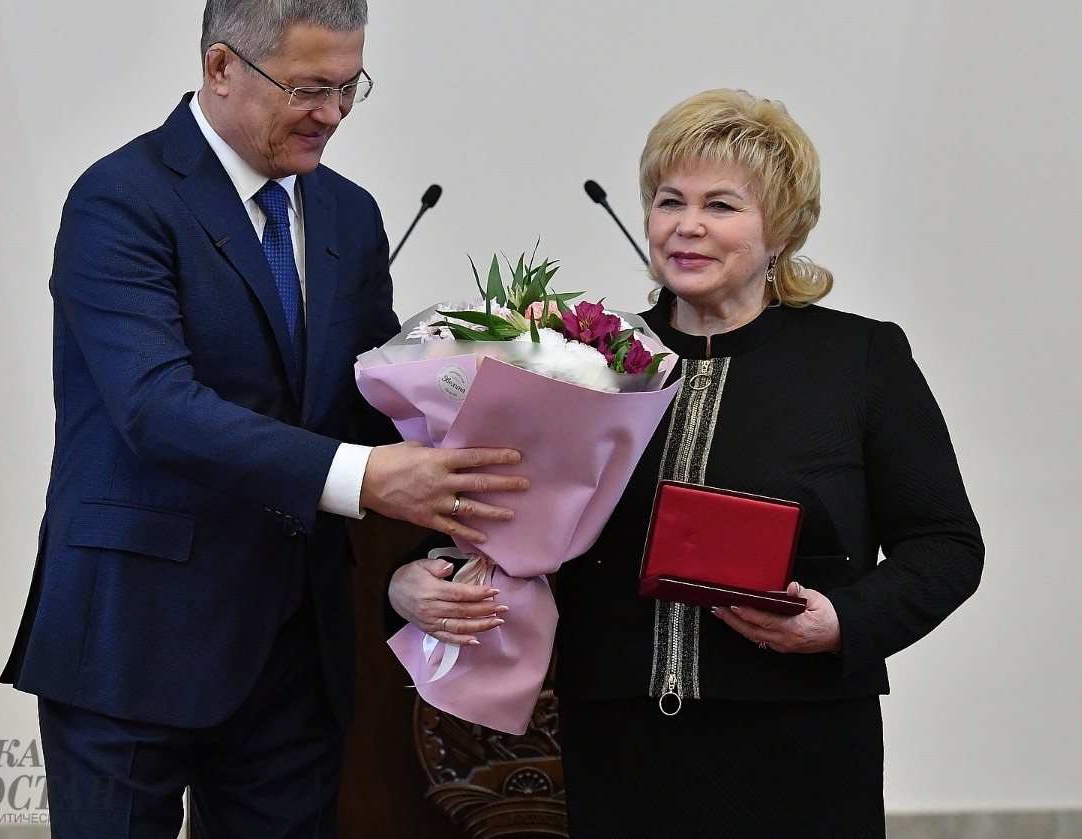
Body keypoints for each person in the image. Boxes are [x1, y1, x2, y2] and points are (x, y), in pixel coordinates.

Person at [0, 0, 526, 839]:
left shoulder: (348, 213)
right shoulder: (120, 200)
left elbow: (368, 402)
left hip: (293, 650)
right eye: (309, 88)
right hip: (136, 637)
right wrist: (364, 477)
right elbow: (156, 407)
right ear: (221, 67)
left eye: (351, 88)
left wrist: (502, 406)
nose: (333, 114)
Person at [389, 88, 983, 837]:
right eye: (670, 201)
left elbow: (946, 546)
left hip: (799, 744)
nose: (687, 224)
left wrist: (842, 621)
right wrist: (408, 582)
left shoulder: (860, 358)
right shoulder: (586, 362)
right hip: (623, 747)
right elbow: (484, 521)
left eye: (721, 205)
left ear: (781, 229)